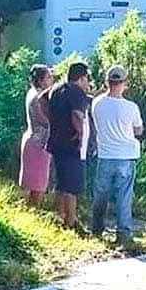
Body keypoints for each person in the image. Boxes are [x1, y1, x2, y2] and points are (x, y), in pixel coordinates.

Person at [90, 65, 143, 246]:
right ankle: (123, 233)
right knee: (124, 196)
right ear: (124, 84)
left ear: (107, 82)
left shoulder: (96, 103)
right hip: (126, 156)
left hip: (105, 155)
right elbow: (138, 130)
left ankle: (96, 229)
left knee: (100, 195)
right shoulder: (131, 107)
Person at [46, 62, 91, 230]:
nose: (88, 83)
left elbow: (41, 100)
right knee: (72, 186)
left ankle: (59, 217)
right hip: (72, 145)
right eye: (87, 79)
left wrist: (52, 120)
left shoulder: (56, 89)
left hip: (57, 142)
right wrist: (80, 133)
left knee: (62, 183)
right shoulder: (77, 93)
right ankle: (70, 222)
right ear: (81, 78)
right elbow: (77, 115)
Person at [19, 64, 54, 207]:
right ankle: (33, 213)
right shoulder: (37, 97)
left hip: (35, 141)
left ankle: (31, 211)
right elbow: (43, 120)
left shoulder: (32, 93)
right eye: (49, 77)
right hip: (38, 143)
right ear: (40, 80)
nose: (51, 80)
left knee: (35, 182)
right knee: (37, 184)